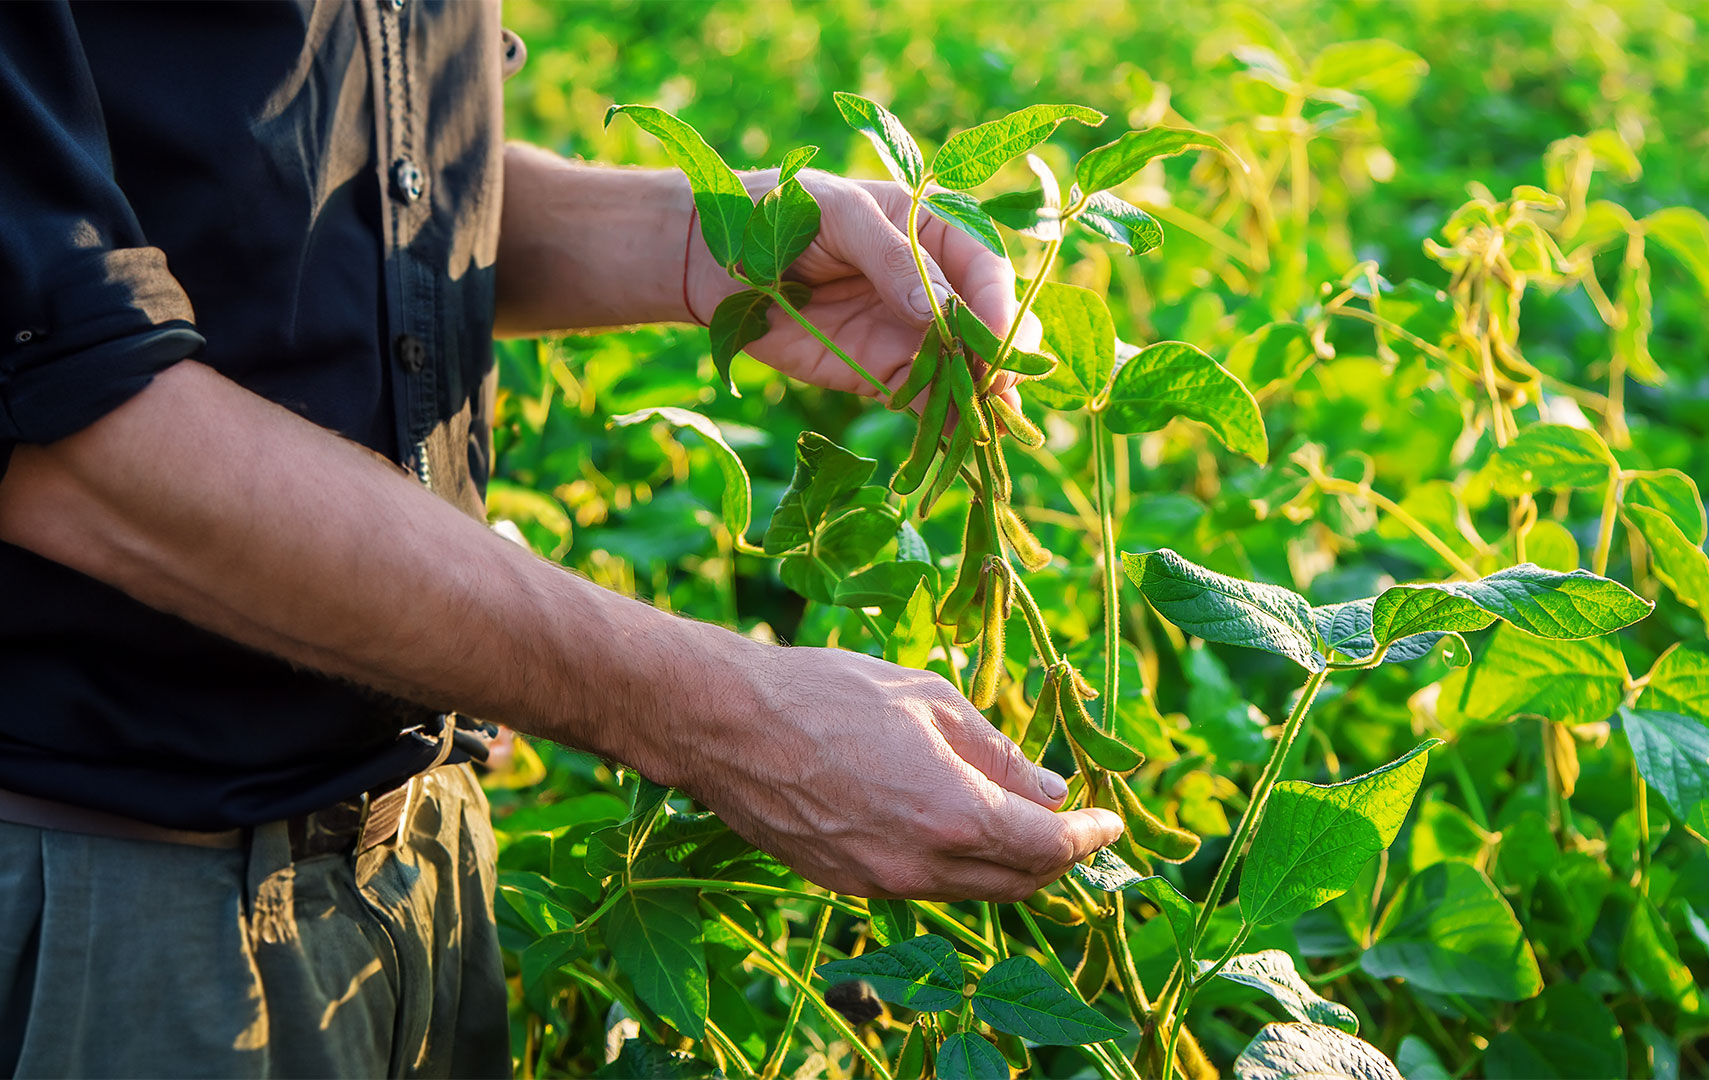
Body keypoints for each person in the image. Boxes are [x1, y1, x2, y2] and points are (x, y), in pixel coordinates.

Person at [0, 2, 1122, 1075]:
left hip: (421, 853)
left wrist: (709, 243)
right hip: (109, 908)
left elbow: (317, 171)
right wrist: (727, 715)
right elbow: (69, 427)